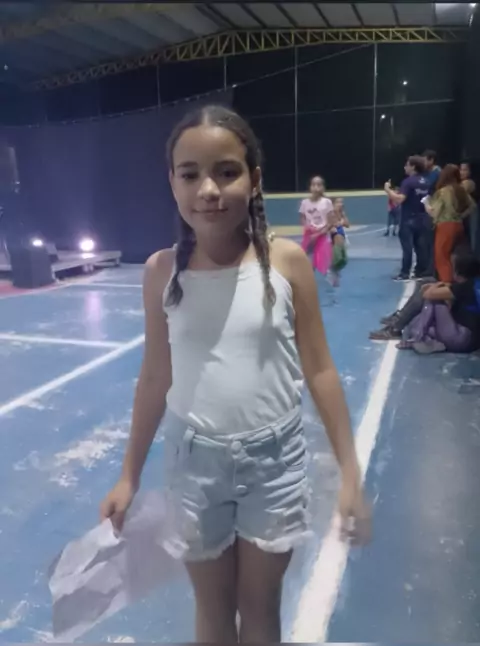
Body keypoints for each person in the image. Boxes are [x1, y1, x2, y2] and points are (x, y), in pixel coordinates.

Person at [100, 105, 370, 644]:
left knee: (261, 608)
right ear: (172, 183)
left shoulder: (287, 262)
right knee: (214, 610)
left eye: (227, 172)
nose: (208, 190)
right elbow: (155, 376)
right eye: (190, 174)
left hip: (275, 464)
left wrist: (350, 473)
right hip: (194, 465)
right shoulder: (161, 273)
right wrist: (129, 474)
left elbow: (319, 368)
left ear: (255, 179)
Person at [401, 249, 480, 354]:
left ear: (458, 272)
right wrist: (442, 285)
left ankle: (418, 337)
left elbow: (428, 294)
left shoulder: (463, 288)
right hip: (470, 342)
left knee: (434, 300)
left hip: (460, 338)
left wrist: (437, 285)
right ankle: (428, 340)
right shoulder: (473, 284)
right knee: (413, 325)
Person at [424, 164, 475, 283]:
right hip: (458, 224)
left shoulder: (443, 192)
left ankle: (447, 284)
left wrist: (426, 203)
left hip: (445, 226)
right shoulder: (460, 190)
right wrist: (460, 215)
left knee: (441, 256)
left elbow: (434, 213)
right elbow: (472, 206)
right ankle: (457, 281)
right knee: (453, 256)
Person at [384, 156, 430, 281]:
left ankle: (405, 272)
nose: (405, 167)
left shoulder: (408, 182)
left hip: (408, 218)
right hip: (422, 218)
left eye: (407, 165)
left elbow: (400, 199)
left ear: (413, 166)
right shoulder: (425, 182)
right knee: (420, 247)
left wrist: (388, 190)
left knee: (407, 247)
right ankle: (421, 271)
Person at [299, 176, 334, 276]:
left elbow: (330, 222)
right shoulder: (305, 203)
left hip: (322, 236)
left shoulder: (327, 202)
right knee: (307, 264)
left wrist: (318, 234)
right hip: (309, 236)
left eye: (319, 185)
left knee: (323, 265)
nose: (316, 187)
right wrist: (308, 227)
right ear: (310, 187)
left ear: (323, 187)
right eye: (313, 185)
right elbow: (302, 218)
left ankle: (331, 276)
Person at [330, 197, 350, 287]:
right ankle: (333, 274)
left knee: (344, 259)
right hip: (335, 237)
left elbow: (347, 224)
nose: (340, 204)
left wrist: (343, 218)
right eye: (338, 202)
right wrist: (332, 227)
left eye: (341, 202)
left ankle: (335, 272)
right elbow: (330, 226)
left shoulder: (342, 213)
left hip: (341, 236)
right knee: (337, 258)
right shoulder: (331, 214)